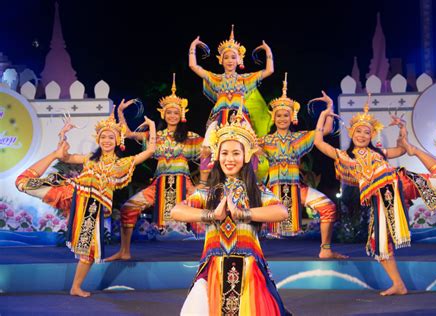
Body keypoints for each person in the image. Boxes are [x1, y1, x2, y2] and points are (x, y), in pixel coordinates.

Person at [312, 92, 436, 295]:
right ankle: (399, 285)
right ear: (352, 133)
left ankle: (418, 151)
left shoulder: (380, 152)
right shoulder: (343, 156)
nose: (362, 135)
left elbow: (401, 149)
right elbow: (319, 142)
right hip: (380, 200)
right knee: (378, 244)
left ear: (371, 136)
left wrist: (403, 131)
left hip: (400, 184)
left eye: (367, 132)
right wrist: (326, 113)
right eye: (359, 131)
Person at [15, 111, 156, 297]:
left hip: (91, 208)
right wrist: (62, 136)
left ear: (118, 141)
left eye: (111, 137)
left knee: (88, 251)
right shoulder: (90, 158)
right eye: (103, 137)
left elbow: (150, 151)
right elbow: (65, 157)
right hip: (70, 193)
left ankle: (76, 287)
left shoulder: (122, 164)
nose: (106, 140)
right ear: (98, 139)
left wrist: (152, 126)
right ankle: (76, 287)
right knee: (22, 182)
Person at [170, 106, 291, 315]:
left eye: (236, 153)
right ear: (217, 156)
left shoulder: (256, 190)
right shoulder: (208, 192)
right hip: (214, 266)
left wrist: (244, 213)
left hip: (249, 267)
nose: (229, 159)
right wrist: (210, 215)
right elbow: (176, 211)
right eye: (225, 153)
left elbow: (281, 211)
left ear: (246, 157)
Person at [106, 75, 204, 262]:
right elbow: (127, 134)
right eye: (169, 112)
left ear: (182, 114)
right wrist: (121, 113)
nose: (172, 116)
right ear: (163, 114)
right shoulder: (155, 136)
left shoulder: (190, 136)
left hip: (185, 186)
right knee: (128, 208)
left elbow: (210, 150)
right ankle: (124, 251)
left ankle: (211, 255)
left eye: (176, 112)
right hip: (158, 184)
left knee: (208, 212)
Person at [259, 73, 346, 259]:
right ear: (273, 118)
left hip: (297, 188)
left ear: (292, 117)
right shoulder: (264, 140)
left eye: (286, 115)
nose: (282, 118)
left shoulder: (300, 138)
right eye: (279, 115)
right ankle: (249, 252)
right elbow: (244, 145)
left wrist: (330, 107)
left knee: (328, 207)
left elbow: (326, 130)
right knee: (246, 212)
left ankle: (325, 249)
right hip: (272, 192)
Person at [189, 24, 274, 185]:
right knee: (208, 146)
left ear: (239, 60)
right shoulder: (216, 79)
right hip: (219, 118)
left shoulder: (245, 79)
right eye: (226, 57)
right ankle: (203, 185)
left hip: (240, 118)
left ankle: (253, 184)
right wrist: (193, 47)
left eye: (233, 57)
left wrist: (268, 51)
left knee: (252, 147)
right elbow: (194, 66)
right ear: (221, 60)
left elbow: (269, 71)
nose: (230, 60)